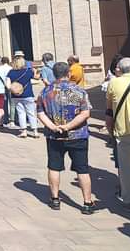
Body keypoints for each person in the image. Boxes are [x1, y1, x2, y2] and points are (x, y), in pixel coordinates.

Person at [36, 62, 95, 214]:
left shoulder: (45, 92)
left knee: (54, 167)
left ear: (54, 74)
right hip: (78, 135)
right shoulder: (79, 91)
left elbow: (40, 113)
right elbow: (85, 113)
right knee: (82, 169)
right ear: (68, 74)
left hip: (54, 136)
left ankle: (55, 199)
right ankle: (87, 202)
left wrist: (53, 126)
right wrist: (68, 126)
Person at [106, 57, 130, 212]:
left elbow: (109, 111)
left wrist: (109, 129)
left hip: (124, 129)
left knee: (126, 167)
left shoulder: (114, 83)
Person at [6, 56, 39, 138]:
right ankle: (35, 131)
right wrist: (35, 71)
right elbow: (37, 78)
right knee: (31, 113)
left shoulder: (11, 72)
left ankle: (23, 131)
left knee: (21, 113)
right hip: (28, 94)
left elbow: (7, 85)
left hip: (16, 95)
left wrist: (13, 89)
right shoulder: (28, 71)